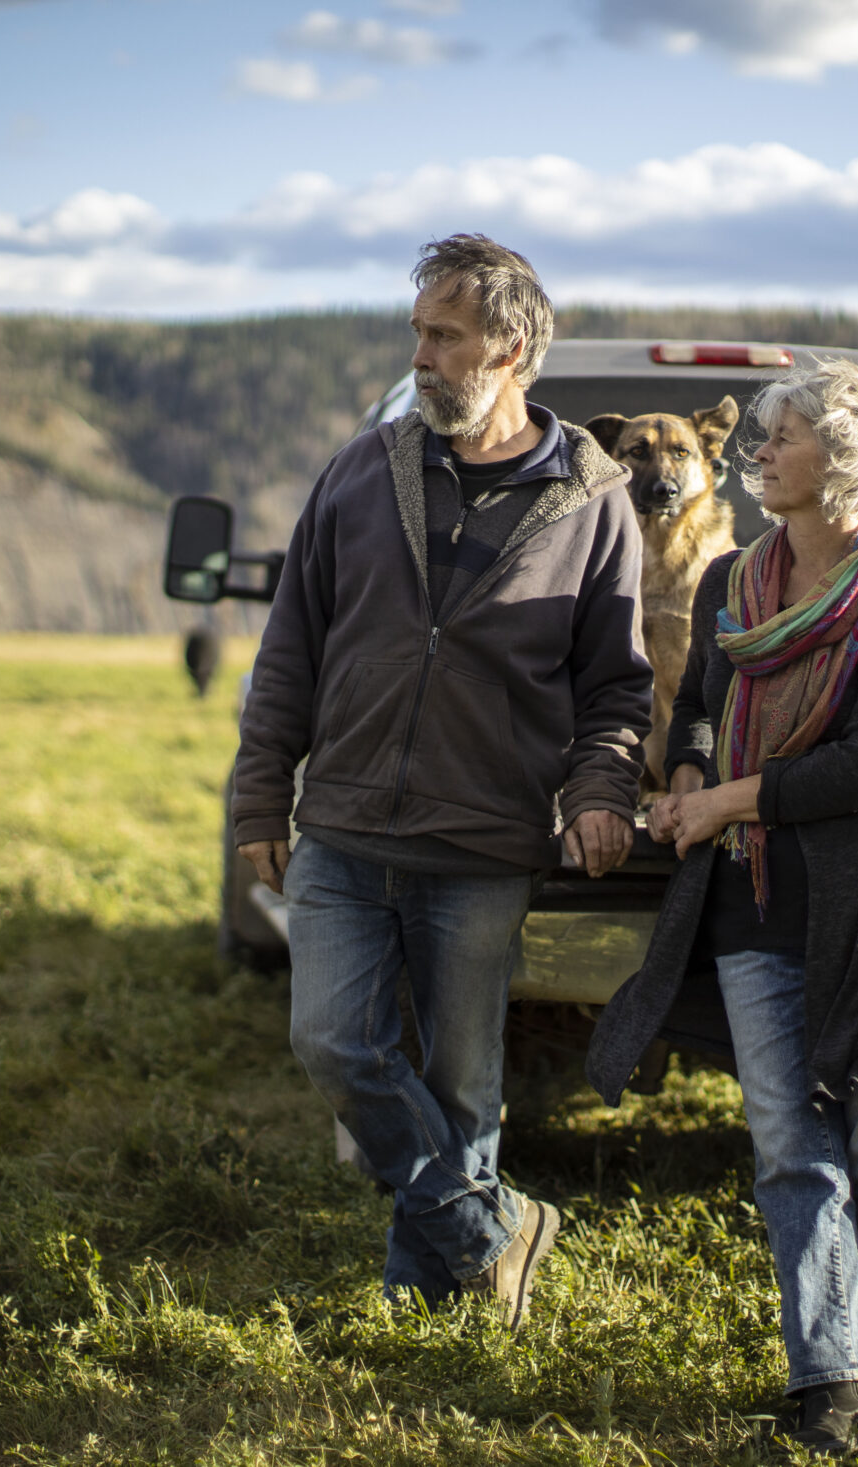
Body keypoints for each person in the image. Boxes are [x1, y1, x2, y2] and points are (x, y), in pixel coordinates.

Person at [231, 234, 652, 1329]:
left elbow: (616, 687)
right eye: (417, 331)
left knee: (464, 1088)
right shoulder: (363, 470)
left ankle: (434, 1306)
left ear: (509, 349)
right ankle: (491, 1232)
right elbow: (291, 648)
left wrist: (600, 790)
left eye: (442, 335)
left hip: (479, 845)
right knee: (331, 1042)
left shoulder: (593, 504)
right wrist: (257, 797)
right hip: (345, 825)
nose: (420, 354)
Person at [586, 359, 858, 1456]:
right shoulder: (728, 586)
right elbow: (697, 707)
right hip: (748, 899)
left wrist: (731, 798)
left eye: (779, 436)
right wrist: (692, 772)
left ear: (840, 462)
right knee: (791, 1145)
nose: (754, 451)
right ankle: (832, 1380)